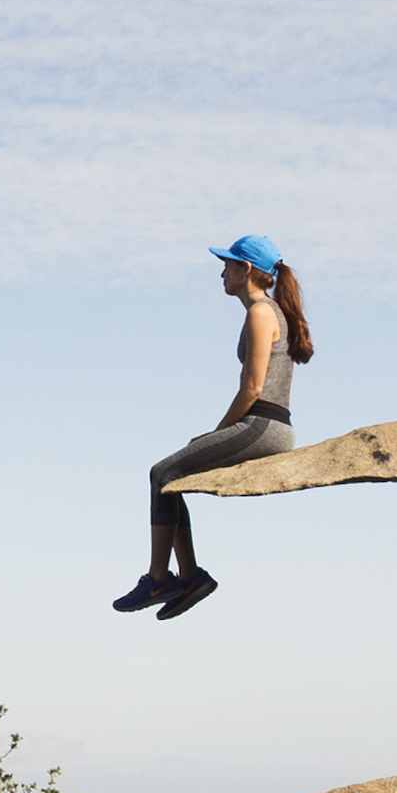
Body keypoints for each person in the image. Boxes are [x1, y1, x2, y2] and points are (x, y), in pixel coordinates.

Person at [119, 235, 311, 619]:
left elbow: (253, 387)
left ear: (248, 270)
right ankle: (189, 577)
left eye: (228, 264)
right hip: (267, 423)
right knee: (171, 478)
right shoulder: (265, 310)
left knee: (162, 472)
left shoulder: (260, 312)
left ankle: (162, 578)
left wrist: (217, 432)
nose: (222, 272)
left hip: (262, 423)